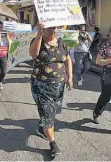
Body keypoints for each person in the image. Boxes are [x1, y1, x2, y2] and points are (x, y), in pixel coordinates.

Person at [29, 23, 73, 157]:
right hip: (41, 85)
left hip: (58, 86)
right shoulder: (38, 40)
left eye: (55, 28)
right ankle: (52, 144)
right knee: (47, 113)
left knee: (51, 112)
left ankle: (42, 128)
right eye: (50, 28)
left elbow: (68, 59)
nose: (54, 30)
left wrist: (70, 77)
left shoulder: (62, 43)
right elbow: (33, 54)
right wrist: (39, 34)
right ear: (44, 29)